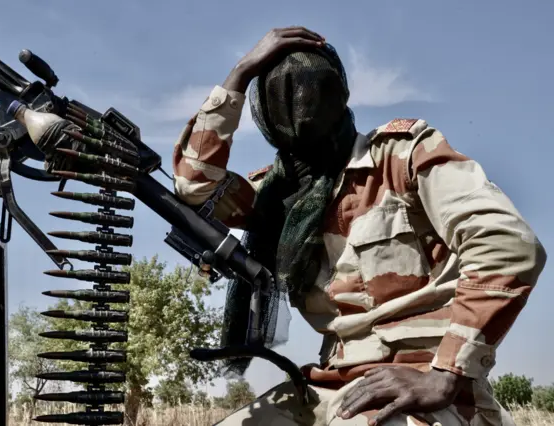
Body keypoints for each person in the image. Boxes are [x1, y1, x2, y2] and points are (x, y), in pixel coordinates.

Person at [172, 27, 546, 426]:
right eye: (277, 91)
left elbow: (507, 244)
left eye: (311, 86)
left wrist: (447, 373)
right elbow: (195, 187)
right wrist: (240, 74)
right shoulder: (274, 195)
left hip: (422, 384)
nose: (297, 100)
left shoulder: (402, 157)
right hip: (331, 381)